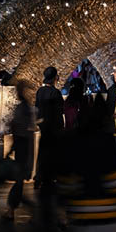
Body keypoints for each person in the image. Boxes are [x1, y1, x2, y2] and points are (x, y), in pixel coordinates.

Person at [35, 66, 65, 221]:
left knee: (42, 152)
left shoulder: (40, 92)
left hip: (43, 127)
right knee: (53, 154)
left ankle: (38, 178)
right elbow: (60, 112)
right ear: (55, 78)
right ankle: (51, 177)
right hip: (53, 129)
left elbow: (37, 109)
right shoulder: (55, 93)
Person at [4, 80, 35, 222]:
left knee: (20, 179)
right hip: (24, 145)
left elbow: (16, 126)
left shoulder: (22, 108)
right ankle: (13, 208)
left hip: (21, 144)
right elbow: (24, 129)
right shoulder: (25, 108)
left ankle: (13, 208)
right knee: (20, 179)